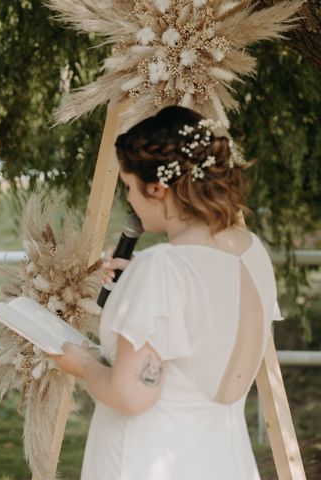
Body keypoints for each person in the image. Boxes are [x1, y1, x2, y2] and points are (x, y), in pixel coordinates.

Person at [52, 106, 280, 479]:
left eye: (129, 187)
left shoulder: (163, 268)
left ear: (157, 188)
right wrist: (135, 283)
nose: (130, 201)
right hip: (225, 460)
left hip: (150, 460)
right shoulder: (251, 250)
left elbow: (131, 396)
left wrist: (83, 365)